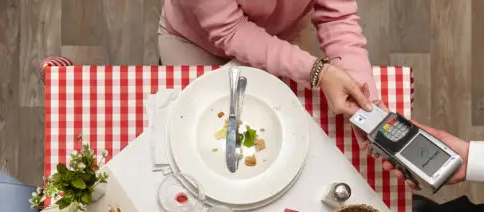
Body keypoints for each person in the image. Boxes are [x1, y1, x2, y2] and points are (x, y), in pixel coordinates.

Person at [158, 0, 380, 122]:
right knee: (193, 124)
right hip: (195, 41)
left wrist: (363, 98)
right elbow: (231, 31)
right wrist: (317, 71)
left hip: (282, 36)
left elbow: (338, 17)